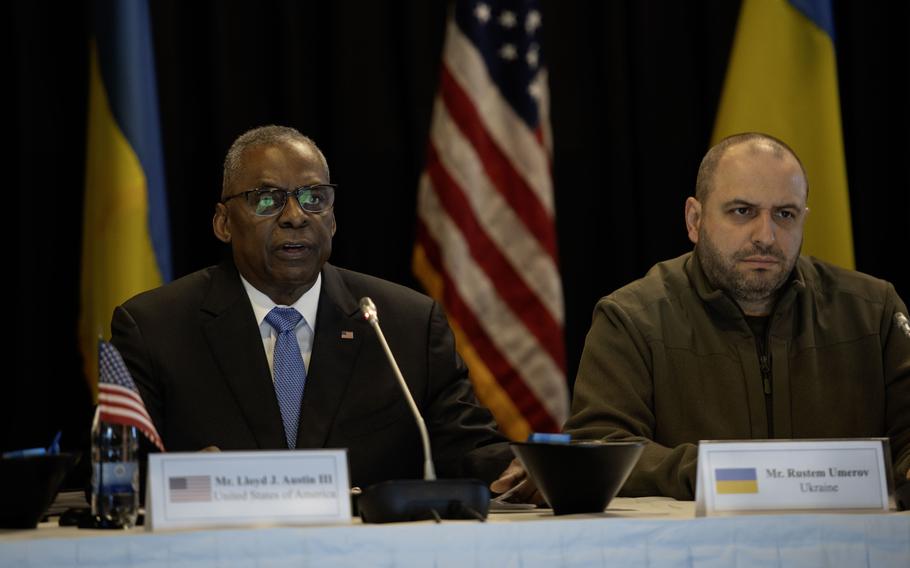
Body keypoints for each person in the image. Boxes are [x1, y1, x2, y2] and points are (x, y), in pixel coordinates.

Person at [494, 132, 910, 501]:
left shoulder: (874, 312)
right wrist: (728, 472)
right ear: (695, 219)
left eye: (785, 214)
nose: (766, 236)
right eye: (742, 211)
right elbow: (602, 448)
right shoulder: (632, 317)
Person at [111, 125, 510, 490]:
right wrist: (183, 479)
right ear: (223, 223)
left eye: (313, 198)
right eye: (266, 200)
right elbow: (120, 473)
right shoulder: (155, 329)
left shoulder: (405, 324)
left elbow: (471, 449)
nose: (296, 217)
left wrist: (519, 470)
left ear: (332, 220)